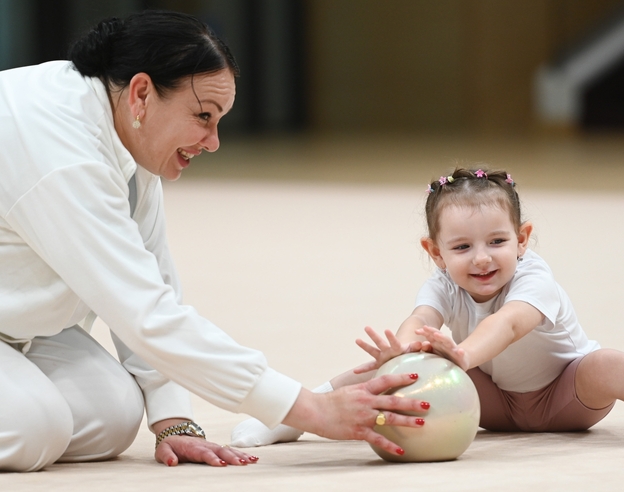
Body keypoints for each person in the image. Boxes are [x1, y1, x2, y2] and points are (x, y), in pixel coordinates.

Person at [0, 11, 427, 473]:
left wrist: (173, 419)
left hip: (21, 326)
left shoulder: (124, 127)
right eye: (203, 116)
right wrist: (310, 409)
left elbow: (149, 281)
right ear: (142, 93)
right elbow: (145, 313)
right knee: (33, 429)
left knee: (114, 416)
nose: (214, 141)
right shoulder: (61, 149)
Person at [232, 167, 624, 452]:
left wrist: (458, 354)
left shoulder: (537, 279)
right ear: (435, 253)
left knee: (609, 363)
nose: (482, 259)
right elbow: (419, 323)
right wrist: (401, 352)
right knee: (387, 365)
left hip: (567, 395)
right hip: (491, 403)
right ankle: (293, 416)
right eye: (461, 248)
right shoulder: (442, 284)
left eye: (497, 242)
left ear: (523, 238)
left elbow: (508, 326)